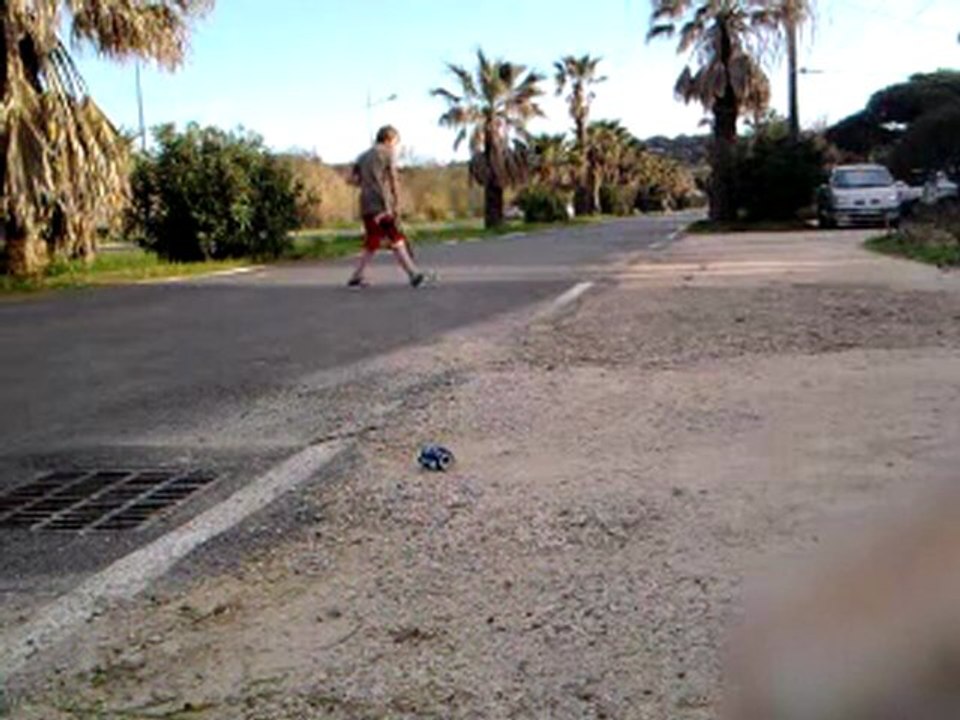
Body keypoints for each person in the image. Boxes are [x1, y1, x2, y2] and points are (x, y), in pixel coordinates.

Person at [347, 125, 428, 288]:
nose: (396, 146)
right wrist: (396, 202)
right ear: (389, 139)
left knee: (373, 240)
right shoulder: (388, 153)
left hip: (366, 202)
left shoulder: (362, 156)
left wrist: (367, 182)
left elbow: (351, 180)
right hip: (382, 202)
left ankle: (357, 276)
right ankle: (413, 275)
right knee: (395, 236)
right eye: (396, 142)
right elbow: (393, 178)